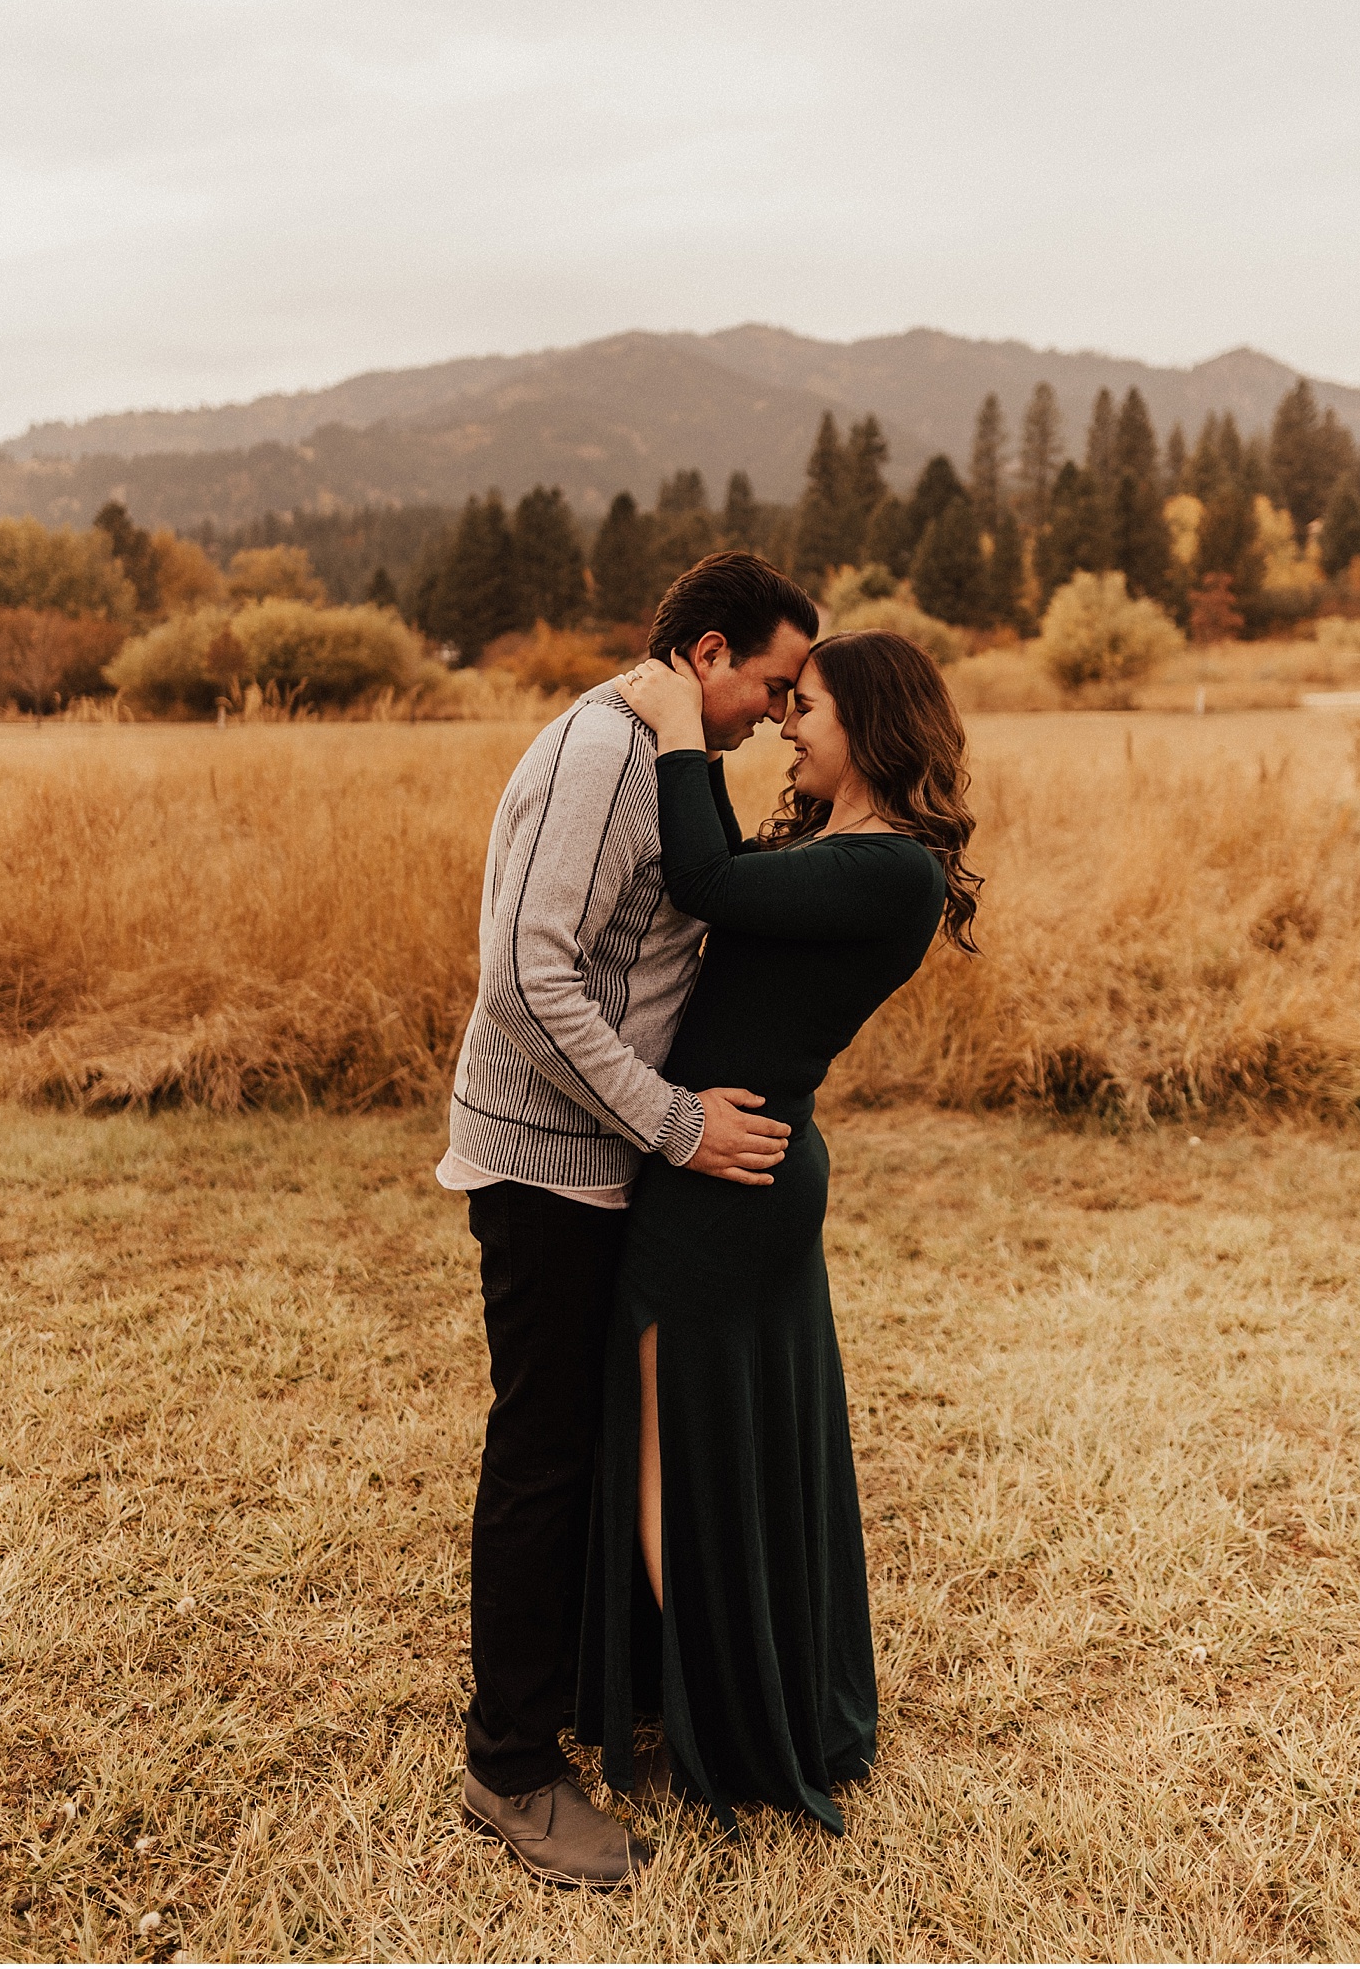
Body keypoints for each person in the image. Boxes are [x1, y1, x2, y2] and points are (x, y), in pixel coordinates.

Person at [440, 552, 817, 1888]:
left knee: (597, 1446)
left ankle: (606, 1702)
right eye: (773, 681)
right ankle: (510, 1768)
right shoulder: (605, 749)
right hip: (547, 1165)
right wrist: (674, 1119)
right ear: (709, 654)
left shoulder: (664, 754)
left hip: (605, 1162)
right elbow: (527, 973)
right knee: (545, 1453)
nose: (781, 710)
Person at [578, 630, 982, 1838]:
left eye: (805, 709)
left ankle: (731, 1717)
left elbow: (702, 879)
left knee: (674, 1429)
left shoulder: (894, 869)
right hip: (732, 1165)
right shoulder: (836, 848)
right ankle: (721, 1688)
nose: (787, 727)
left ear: (869, 720)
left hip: (731, 1179)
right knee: (725, 1435)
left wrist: (672, 726)